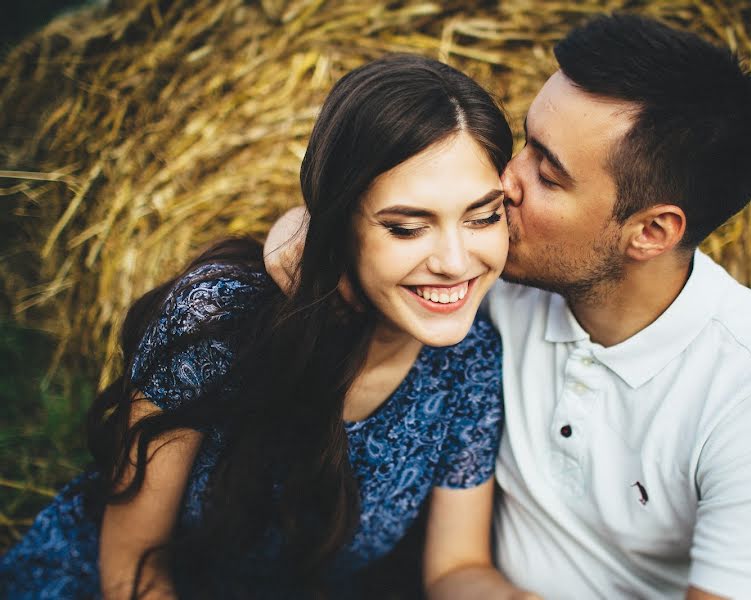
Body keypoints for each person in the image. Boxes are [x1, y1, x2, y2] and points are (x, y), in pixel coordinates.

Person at [264, 14, 751, 600]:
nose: (504, 181)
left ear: (651, 232)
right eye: (524, 141)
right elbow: (378, 227)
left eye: (546, 172)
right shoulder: (488, 276)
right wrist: (309, 235)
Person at [0, 55, 539, 599]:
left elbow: (455, 569)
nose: (453, 260)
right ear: (336, 222)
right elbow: (133, 569)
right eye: (405, 227)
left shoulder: (470, 360)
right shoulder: (218, 320)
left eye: (483, 216)